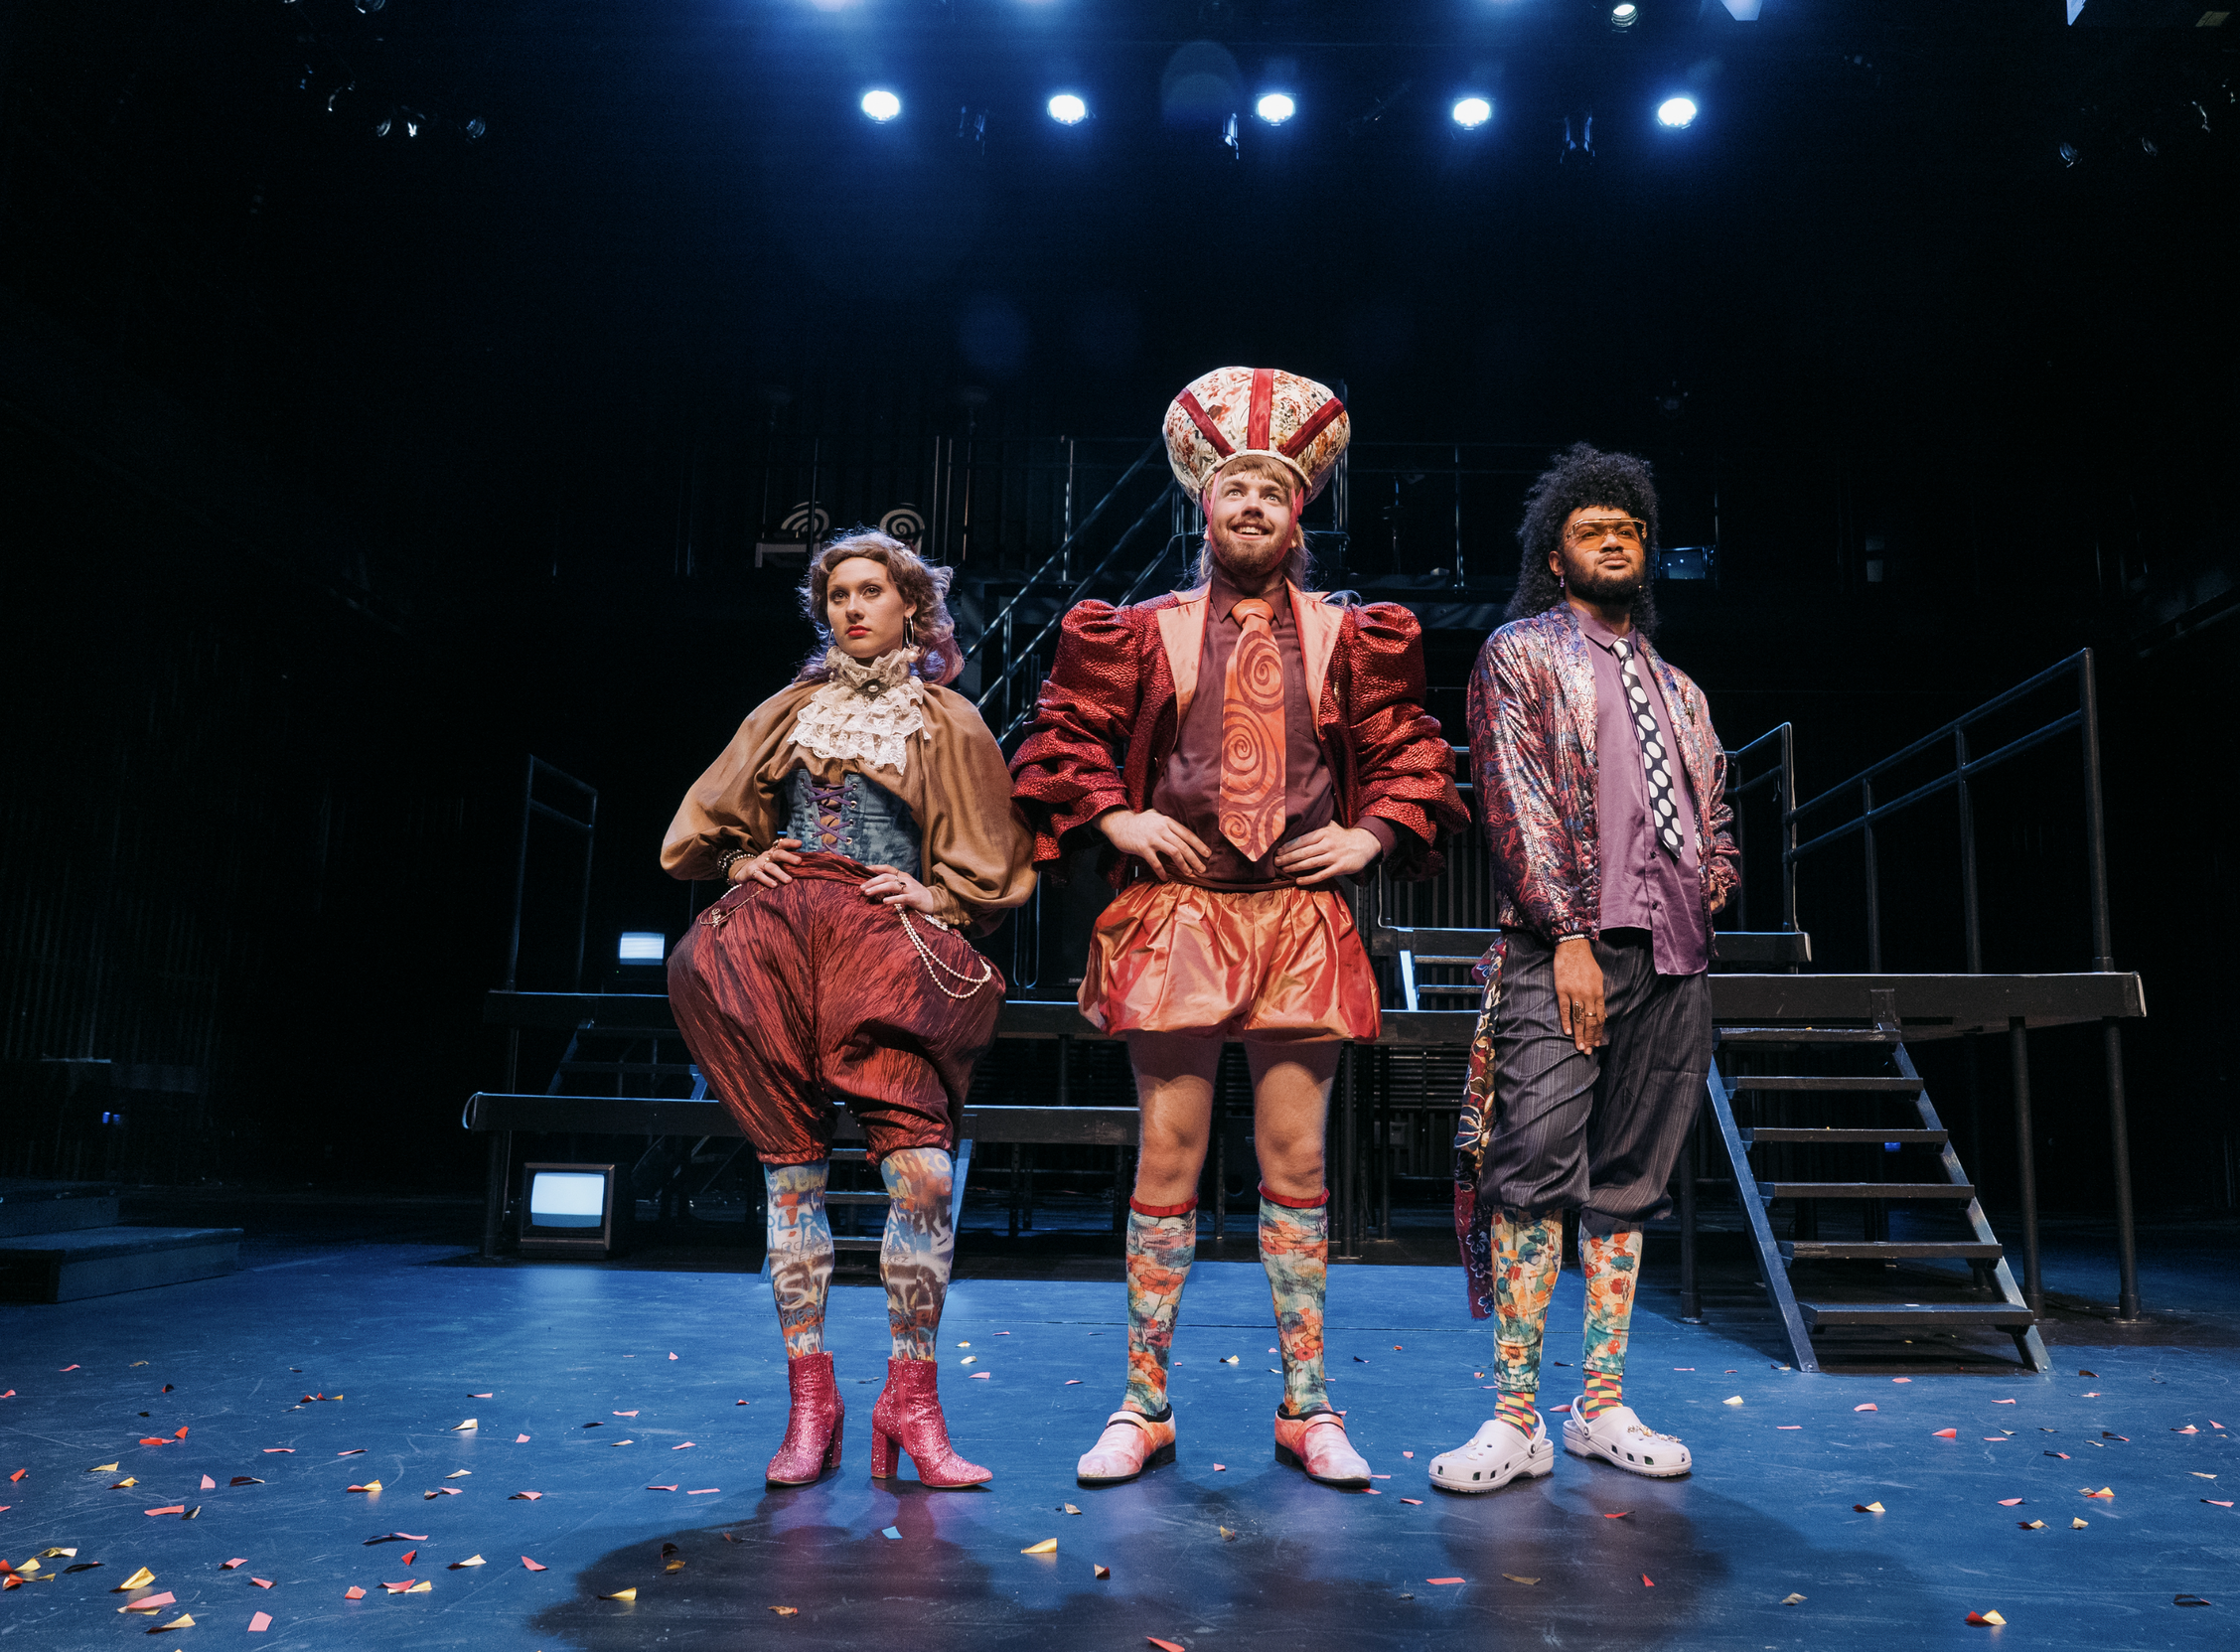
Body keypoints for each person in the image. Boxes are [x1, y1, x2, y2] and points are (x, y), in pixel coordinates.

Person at [1012, 367, 1467, 1490]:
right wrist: (1117, 814)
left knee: (1297, 1159)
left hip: (1299, 918)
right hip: (1181, 910)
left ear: (1298, 510)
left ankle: (1306, 1405)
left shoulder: (1344, 633)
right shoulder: (1145, 629)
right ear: (1201, 507)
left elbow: (1411, 747)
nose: (1253, 506)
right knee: (1168, 1153)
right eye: (1234, 489)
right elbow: (1063, 733)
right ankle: (1144, 1403)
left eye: (1273, 489)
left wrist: (1368, 836)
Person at [663, 528, 1035, 1491]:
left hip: (881, 951)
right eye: (838, 595)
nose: (855, 607)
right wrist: (743, 859)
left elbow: (993, 855)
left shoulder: (943, 717)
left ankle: (908, 1401)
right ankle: (810, 1404)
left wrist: (938, 896)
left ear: (912, 606)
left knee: (921, 1176)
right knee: (792, 1180)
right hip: (778, 950)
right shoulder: (790, 711)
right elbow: (699, 828)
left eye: (873, 590)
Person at [1429, 444, 1738, 1495]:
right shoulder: (1521, 653)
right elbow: (1511, 797)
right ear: (1555, 556)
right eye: (1590, 528)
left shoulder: (1683, 689)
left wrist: (1717, 875)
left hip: (1676, 954)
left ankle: (1597, 1405)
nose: (1615, 539)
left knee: (1629, 1181)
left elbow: (1717, 805)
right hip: (1565, 946)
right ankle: (1516, 1414)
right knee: (1532, 1169)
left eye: (1630, 529)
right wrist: (1562, 931)